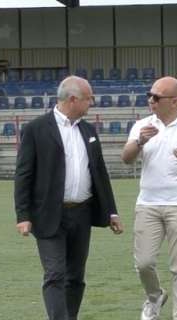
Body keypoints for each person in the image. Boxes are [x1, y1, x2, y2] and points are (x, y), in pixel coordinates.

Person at [14, 76, 124, 320]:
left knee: (76, 277)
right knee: (54, 274)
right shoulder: (35, 129)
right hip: (49, 215)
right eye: (88, 98)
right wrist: (22, 215)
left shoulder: (88, 130)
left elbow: (99, 173)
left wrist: (111, 212)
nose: (92, 103)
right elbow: (23, 175)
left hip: (82, 214)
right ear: (73, 100)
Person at [121, 76, 177, 320]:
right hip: (148, 204)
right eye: (149, 96)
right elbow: (126, 158)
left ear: (174, 100)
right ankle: (155, 296)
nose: (151, 100)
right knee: (143, 263)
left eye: (157, 97)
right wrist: (140, 140)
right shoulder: (142, 125)